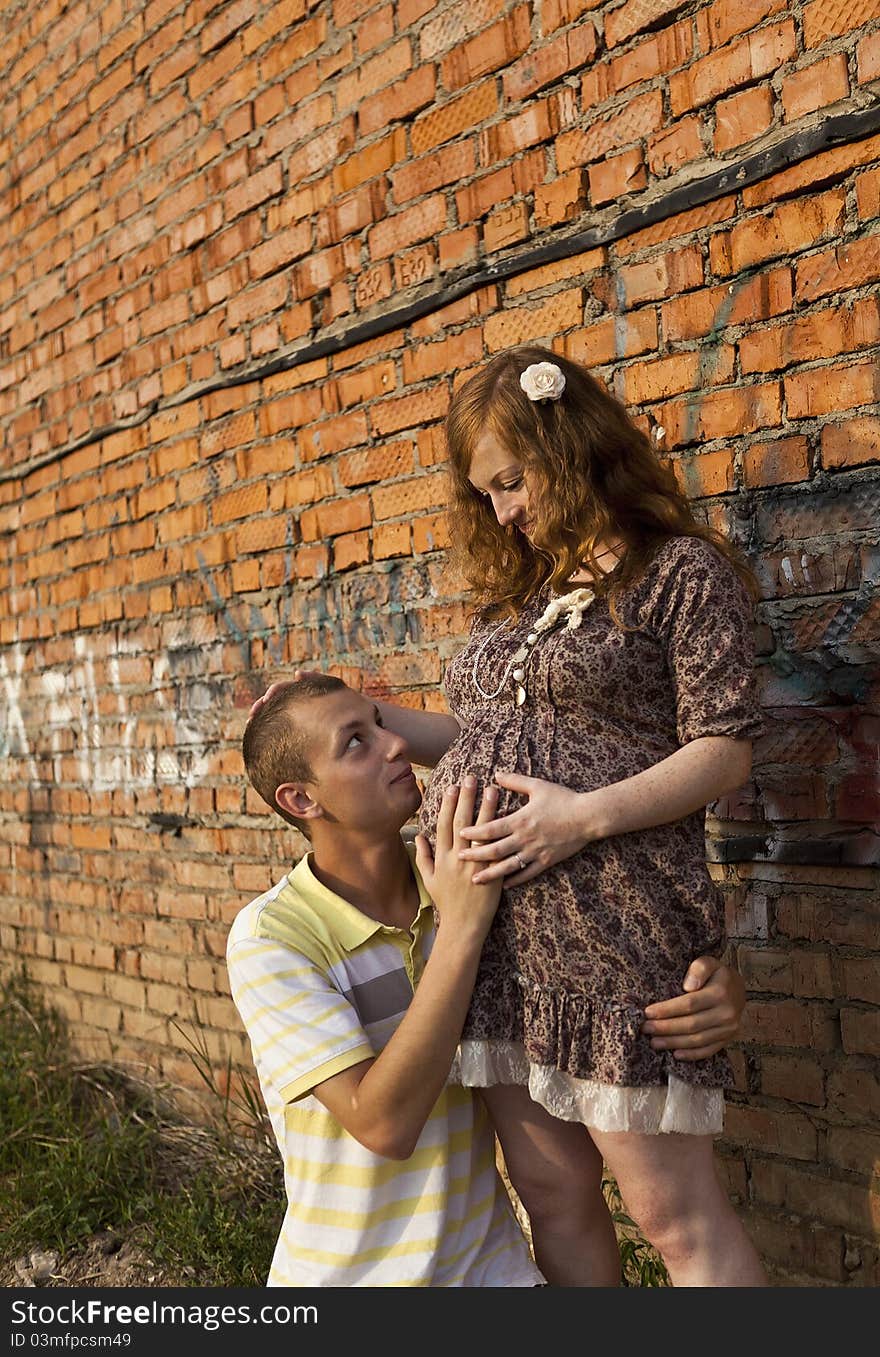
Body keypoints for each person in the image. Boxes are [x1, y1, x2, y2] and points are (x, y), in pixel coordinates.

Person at [255, 344, 766, 1287]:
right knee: (551, 1192)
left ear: (570, 446)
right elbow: (482, 731)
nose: (503, 511)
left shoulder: (678, 575)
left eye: (513, 481)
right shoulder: (514, 600)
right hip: (496, 944)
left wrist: (582, 817)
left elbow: (725, 745)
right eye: (483, 492)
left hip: (616, 928)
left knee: (672, 1214)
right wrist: (344, 709)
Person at [234, 674, 748, 1287]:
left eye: (380, 724)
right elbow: (384, 1126)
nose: (395, 745)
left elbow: (612, 951)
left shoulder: (460, 874)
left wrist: (716, 986)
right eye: (355, 743)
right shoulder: (273, 938)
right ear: (301, 801)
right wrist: (461, 930)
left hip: (494, 1275)